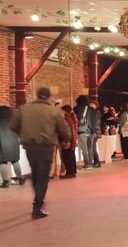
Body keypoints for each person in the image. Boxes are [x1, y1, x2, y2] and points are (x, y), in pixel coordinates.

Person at [9, 87, 71, 219]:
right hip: (46, 146)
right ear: (48, 97)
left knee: (36, 173)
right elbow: (63, 129)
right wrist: (66, 140)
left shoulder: (24, 109)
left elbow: (13, 126)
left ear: (37, 95)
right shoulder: (54, 111)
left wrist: (24, 133)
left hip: (30, 146)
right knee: (43, 176)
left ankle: (38, 199)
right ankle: (37, 206)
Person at [0, 106, 25, 188]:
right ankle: (20, 178)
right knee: (15, 161)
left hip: (2, 143)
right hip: (14, 142)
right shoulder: (14, 121)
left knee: (2, 162)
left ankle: (5, 182)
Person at [73, 94, 96, 169]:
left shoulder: (76, 109)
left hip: (82, 131)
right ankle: (91, 163)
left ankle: (86, 163)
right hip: (91, 131)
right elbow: (94, 120)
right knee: (90, 148)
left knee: (84, 149)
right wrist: (93, 130)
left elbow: (76, 120)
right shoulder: (92, 109)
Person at [59, 105, 78, 178]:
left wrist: (67, 140)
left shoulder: (67, 119)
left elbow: (67, 131)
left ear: (64, 111)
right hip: (72, 140)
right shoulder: (72, 117)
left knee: (67, 157)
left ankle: (70, 173)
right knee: (71, 156)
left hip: (68, 140)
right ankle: (72, 172)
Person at [88, 99, 102, 168]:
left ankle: (97, 162)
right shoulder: (89, 112)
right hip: (91, 131)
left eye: (93, 104)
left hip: (96, 132)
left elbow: (94, 121)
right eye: (90, 104)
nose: (91, 105)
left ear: (96, 106)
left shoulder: (97, 112)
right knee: (92, 147)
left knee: (93, 147)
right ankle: (95, 161)